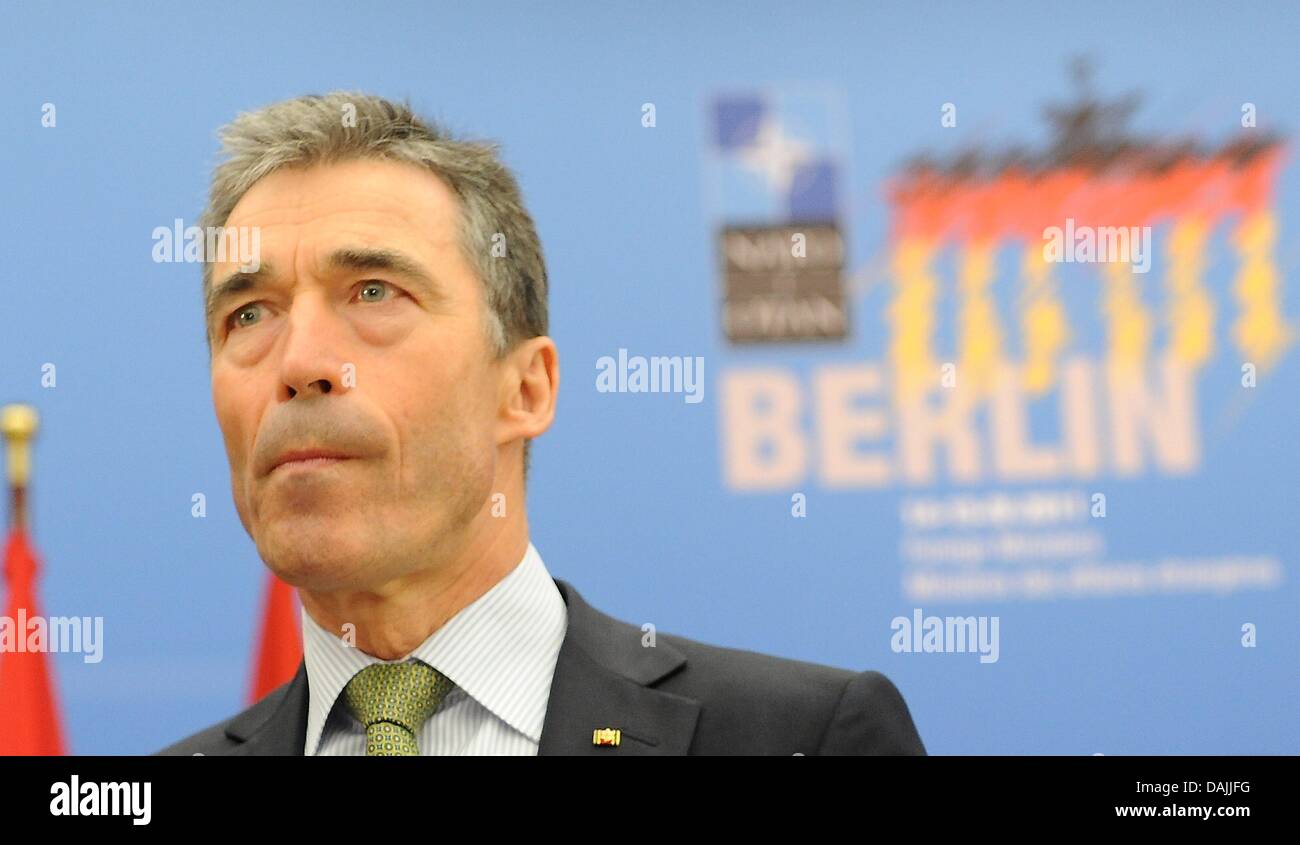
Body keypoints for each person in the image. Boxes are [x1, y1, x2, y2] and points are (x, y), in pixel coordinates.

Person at [155, 92, 926, 756]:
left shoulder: (796, 733)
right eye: (248, 313)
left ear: (525, 388)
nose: (300, 361)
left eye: (373, 293)